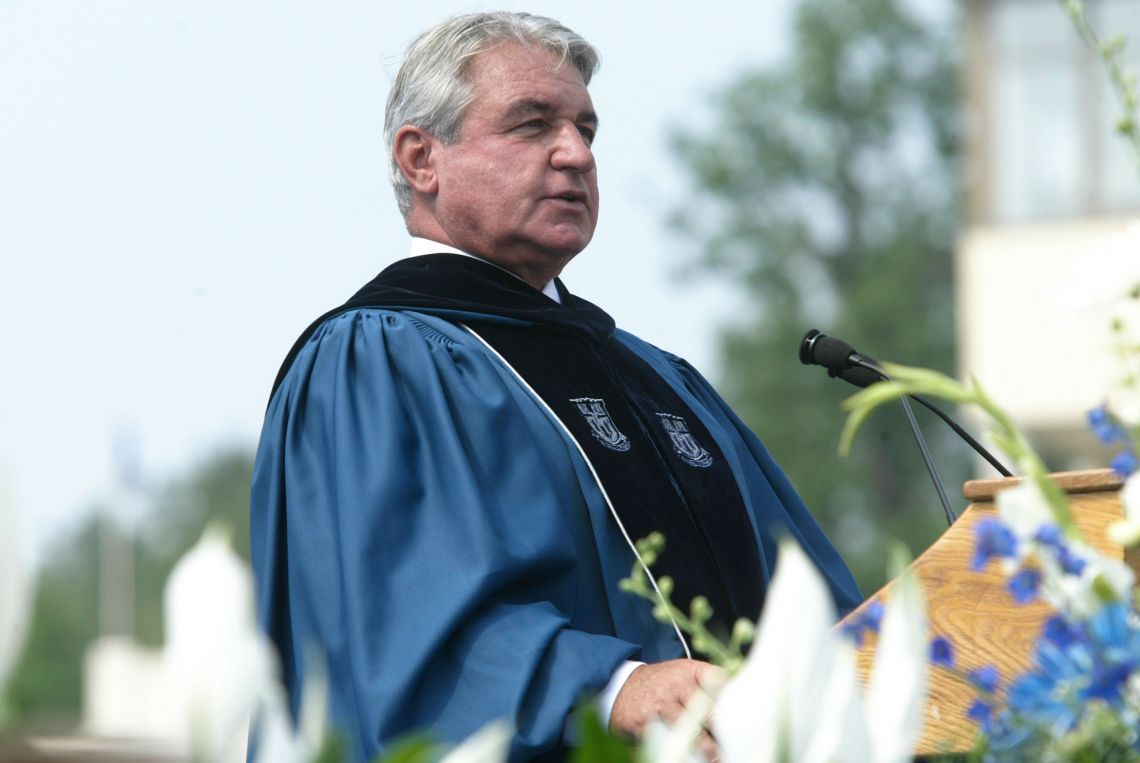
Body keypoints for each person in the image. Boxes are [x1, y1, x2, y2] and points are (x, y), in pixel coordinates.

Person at [250, 11, 861, 763]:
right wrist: (613, 688)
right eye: (533, 124)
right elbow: (398, 631)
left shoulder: (660, 382)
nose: (575, 154)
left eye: (586, 130)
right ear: (421, 158)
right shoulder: (375, 363)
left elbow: (820, 609)